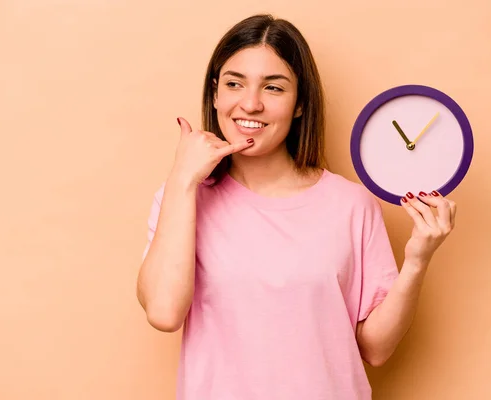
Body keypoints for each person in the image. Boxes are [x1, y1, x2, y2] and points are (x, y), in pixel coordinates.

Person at [136, 13, 457, 400]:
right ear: (216, 93)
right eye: (235, 83)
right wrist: (183, 179)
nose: (250, 104)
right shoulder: (180, 198)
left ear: (301, 103)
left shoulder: (351, 204)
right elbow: (164, 313)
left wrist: (418, 260)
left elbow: (376, 348)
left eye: (273, 88)